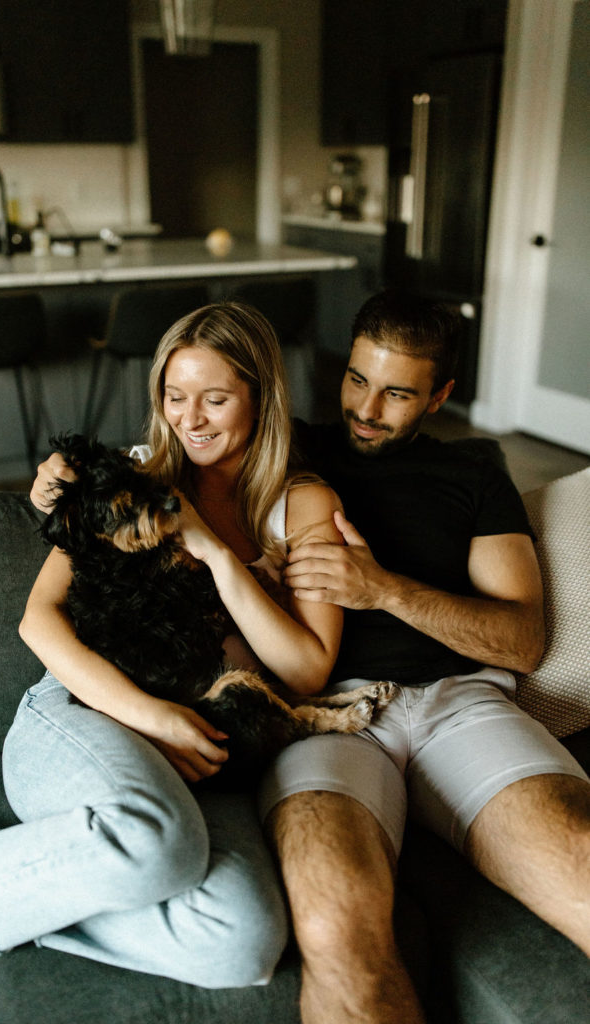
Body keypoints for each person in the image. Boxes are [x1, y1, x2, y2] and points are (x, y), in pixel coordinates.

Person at [0, 301, 344, 988]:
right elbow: (39, 620)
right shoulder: (132, 484)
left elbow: (308, 669)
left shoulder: (304, 505)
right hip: (82, 715)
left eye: (215, 399)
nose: (189, 419)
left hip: (205, 753)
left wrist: (210, 548)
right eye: (174, 397)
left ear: (262, 397)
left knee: (242, 944)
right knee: (155, 839)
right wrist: (152, 715)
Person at [259, 289, 590, 1023]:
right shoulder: (288, 449)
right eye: (355, 379)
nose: (365, 408)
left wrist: (383, 590)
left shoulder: (474, 472)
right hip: (327, 715)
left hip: (460, 703)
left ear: (438, 395)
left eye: (397, 393)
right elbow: (175, 448)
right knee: (333, 923)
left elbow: (523, 642)